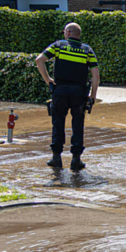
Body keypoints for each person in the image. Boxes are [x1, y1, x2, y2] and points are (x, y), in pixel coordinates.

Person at [35, 23, 99, 171]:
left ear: (68, 32)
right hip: (79, 92)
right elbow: (95, 75)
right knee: (78, 124)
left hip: (60, 91)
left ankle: (56, 158)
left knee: (58, 122)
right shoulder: (87, 50)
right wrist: (92, 96)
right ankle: (76, 160)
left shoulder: (58, 46)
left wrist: (48, 79)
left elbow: (39, 60)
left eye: (65, 31)